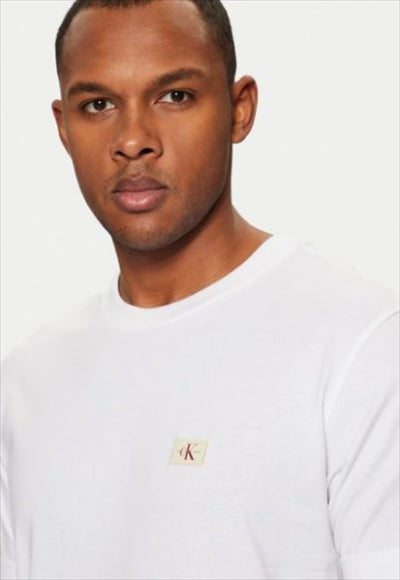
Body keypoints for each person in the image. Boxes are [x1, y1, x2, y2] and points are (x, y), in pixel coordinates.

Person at [1, 0, 398, 579]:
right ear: (64, 128)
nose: (132, 140)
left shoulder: (359, 345)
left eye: (175, 95)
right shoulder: (25, 383)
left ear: (240, 110)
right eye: (99, 104)